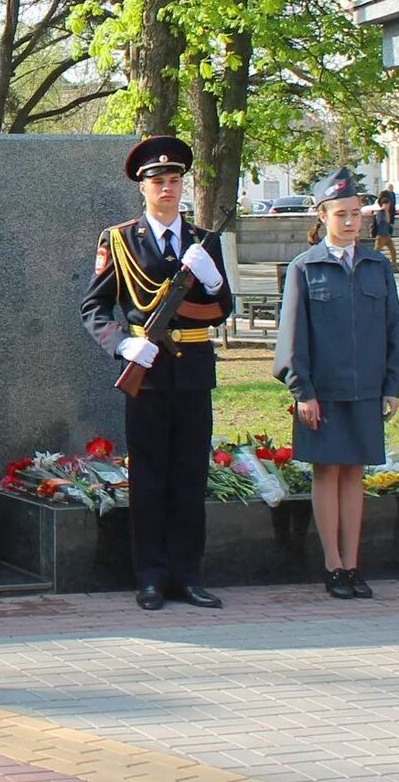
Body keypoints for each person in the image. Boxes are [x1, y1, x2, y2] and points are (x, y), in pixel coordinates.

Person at [81, 136, 236, 611]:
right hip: (145, 373)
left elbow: (221, 308)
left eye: (174, 180)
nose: (167, 189)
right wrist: (122, 344)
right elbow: (95, 306)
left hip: (192, 372)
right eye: (158, 182)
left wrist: (210, 279)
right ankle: (149, 575)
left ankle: (187, 574)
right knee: (149, 477)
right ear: (142, 189)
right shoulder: (121, 240)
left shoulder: (203, 240)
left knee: (189, 476)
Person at [274, 169, 399, 600]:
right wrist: (302, 391)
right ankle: (332, 564)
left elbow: (392, 331)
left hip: (366, 388)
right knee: (327, 471)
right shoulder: (304, 268)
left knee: (355, 474)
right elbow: (292, 337)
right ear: (323, 216)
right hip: (323, 392)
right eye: (341, 215)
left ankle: (353, 564)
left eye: (356, 214)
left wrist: (392, 385)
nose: (351, 223)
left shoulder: (376, 266)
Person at [372, 192, 398, 261]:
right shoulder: (380, 212)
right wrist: (384, 211)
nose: (388, 206)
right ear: (384, 204)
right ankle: (372, 264)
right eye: (387, 204)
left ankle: (394, 266)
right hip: (381, 235)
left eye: (389, 204)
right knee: (376, 251)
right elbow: (380, 222)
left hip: (387, 235)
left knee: (393, 251)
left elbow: (388, 222)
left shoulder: (387, 212)